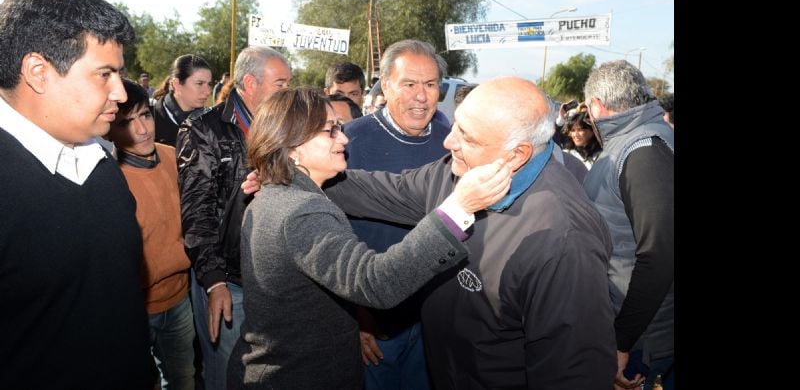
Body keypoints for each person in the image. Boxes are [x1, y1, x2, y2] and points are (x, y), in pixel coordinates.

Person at [324, 76, 617, 389]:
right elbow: (382, 192)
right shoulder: (458, 172)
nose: (448, 142)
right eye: (455, 125)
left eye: (468, 137)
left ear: (517, 154)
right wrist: (302, 173)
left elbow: (573, 371)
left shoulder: (563, 238)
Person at [227, 87, 512, 389]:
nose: (345, 138)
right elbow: (377, 283)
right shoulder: (301, 211)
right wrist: (458, 208)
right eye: (330, 131)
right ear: (293, 146)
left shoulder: (280, 195)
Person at [0, 0, 152, 389]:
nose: (120, 93)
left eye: (119, 74)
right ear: (38, 72)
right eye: (105, 74)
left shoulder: (101, 160)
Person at [177, 45, 291, 390]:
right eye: (281, 85)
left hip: (274, 278)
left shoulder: (285, 127)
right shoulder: (203, 128)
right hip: (229, 281)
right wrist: (213, 280)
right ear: (251, 83)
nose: (288, 93)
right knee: (228, 374)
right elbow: (197, 211)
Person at [343, 39, 451, 390]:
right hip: (376, 322)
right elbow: (334, 235)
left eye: (431, 85)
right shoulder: (349, 142)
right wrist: (357, 316)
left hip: (438, 318)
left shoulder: (453, 144)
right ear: (385, 86)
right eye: (409, 84)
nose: (421, 96)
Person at [582, 60, 674, 390]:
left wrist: (622, 342)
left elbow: (660, 255)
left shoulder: (643, 149)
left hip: (639, 339)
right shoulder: (637, 141)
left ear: (596, 105)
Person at [106, 79, 196, 390]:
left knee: (184, 379)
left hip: (181, 300)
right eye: (126, 123)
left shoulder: (175, 156)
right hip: (134, 311)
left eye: (145, 115)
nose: (142, 129)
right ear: (108, 129)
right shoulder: (107, 178)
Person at [152, 54, 213, 146]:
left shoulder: (212, 121)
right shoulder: (149, 123)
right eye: (199, 83)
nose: (208, 91)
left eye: (209, 84)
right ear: (176, 84)